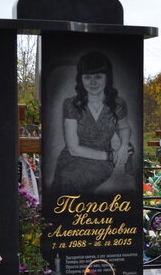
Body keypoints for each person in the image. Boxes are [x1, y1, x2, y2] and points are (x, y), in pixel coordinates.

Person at [53, 52, 133, 195]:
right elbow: (73, 149)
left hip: (102, 164)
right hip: (73, 159)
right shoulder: (71, 105)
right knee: (66, 179)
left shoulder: (118, 104)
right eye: (87, 77)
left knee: (72, 183)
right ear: (81, 79)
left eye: (98, 76)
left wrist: (124, 146)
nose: (92, 82)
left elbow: (124, 127)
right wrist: (111, 156)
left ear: (107, 78)